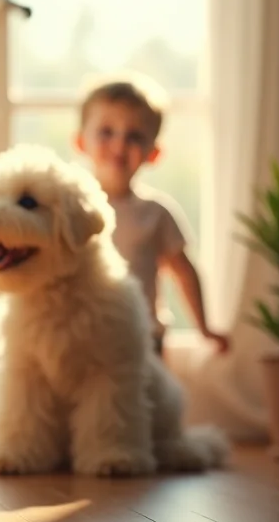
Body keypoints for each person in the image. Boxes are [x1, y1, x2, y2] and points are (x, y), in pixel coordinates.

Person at [73, 72, 230, 357]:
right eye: (107, 132)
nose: (120, 145)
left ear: (154, 153)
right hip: (82, 338)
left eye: (134, 136)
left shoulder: (157, 214)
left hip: (144, 340)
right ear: (81, 142)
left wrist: (203, 327)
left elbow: (184, 271)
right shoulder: (69, 207)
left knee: (148, 402)